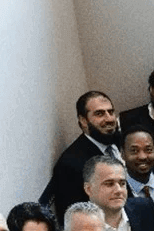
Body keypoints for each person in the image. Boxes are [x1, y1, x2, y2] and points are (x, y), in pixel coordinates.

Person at [41, 91, 120, 220]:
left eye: (110, 112)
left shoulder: (119, 141)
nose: (109, 119)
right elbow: (73, 219)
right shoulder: (70, 165)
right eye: (100, 114)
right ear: (83, 120)